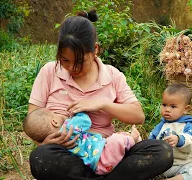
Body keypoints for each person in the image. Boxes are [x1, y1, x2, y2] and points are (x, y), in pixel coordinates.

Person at [27, 9, 173, 180]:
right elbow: (33, 120)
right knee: (41, 157)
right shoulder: (49, 72)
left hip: (106, 154)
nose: (72, 68)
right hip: (67, 155)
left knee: (162, 151)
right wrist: (45, 143)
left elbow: (138, 116)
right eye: (65, 60)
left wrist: (103, 104)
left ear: (95, 49)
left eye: (80, 62)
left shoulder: (112, 75)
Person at [23, 108, 141, 175]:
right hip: (101, 157)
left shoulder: (54, 142)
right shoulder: (68, 127)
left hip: (89, 165)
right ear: (54, 122)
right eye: (56, 114)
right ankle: (133, 138)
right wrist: (78, 112)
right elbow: (85, 121)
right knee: (117, 140)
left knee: (116, 138)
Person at [149, 83, 192, 180]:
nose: (167, 109)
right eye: (164, 105)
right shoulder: (160, 126)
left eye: (173, 107)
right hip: (161, 164)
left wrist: (179, 140)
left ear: (186, 109)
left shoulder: (188, 125)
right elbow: (150, 141)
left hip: (182, 164)